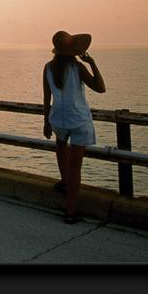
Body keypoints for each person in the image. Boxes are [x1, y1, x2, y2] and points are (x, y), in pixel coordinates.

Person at [42, 30, 106, 224]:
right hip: (78, 120)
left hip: (58, 119)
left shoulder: (47, 68)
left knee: (61, 145)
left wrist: (46, 122)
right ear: (73, 51)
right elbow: (100, 88)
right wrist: (92, 63)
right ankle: (70, 212)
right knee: (76, 168)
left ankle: (64, 181)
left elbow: (47, 97)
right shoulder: (77, 68)